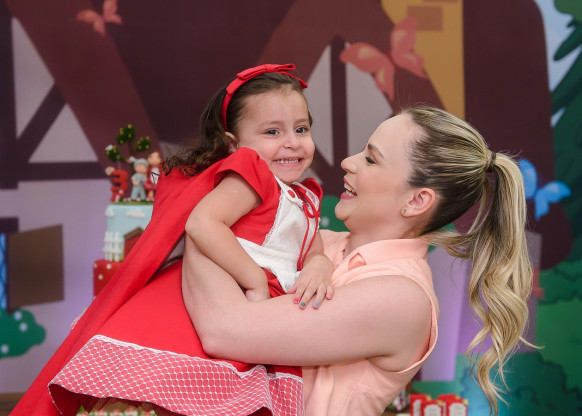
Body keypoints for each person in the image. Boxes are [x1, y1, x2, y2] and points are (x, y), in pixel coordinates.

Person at [11, 64, 332, 416]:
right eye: (272, 131)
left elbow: (311, 247)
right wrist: (253, 278)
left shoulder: (304, 195)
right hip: (226, 295)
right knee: (193, 400)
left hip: (262, 309)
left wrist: (318, 265)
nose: (292, 142)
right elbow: (203, 223)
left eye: (301, 129)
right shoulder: (251, 178)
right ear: (234, 145)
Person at [182, 106, 534, 416]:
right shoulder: (319, 242)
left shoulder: (401, 298)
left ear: (416, 201)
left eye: (371, 159)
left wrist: (206, 222)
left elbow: (223, 329)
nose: (348, 162)